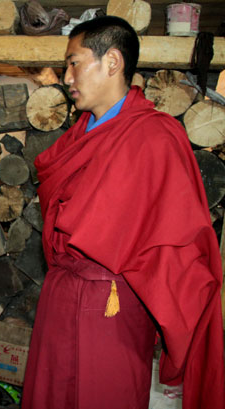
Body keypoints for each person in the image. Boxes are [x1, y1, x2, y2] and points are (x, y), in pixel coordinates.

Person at [21, 16, 225, 409]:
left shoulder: (154, 137)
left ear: (112, 62)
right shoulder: (78, 137)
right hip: (59, 296)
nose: (67, 78)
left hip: (112, 306)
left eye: (74, 63)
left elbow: (179, 238)